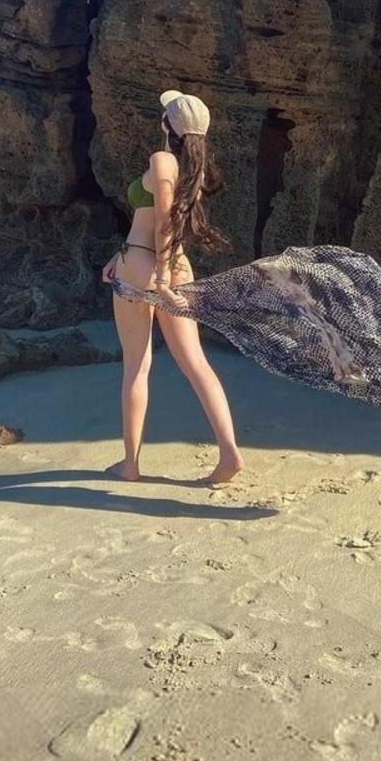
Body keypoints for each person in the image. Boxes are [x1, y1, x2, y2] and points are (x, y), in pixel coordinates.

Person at [101, 89, 243, 485]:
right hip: (176, 265)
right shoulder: (194, 169)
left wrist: (159, 277)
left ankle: (130, 465)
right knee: (196, 363)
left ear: (166, 124)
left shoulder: (162, 160)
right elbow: (161, 223)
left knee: (137, 365)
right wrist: (122, 258)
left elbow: (163, 221)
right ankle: (229, 453)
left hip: (146, 267)